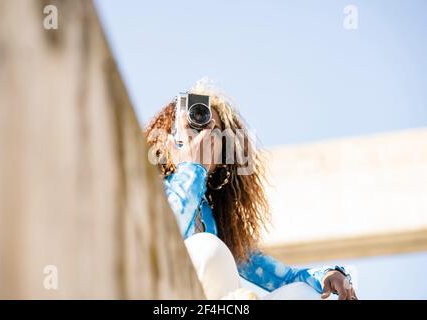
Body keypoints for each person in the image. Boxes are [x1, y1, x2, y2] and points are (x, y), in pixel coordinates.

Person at [145, 80, 357, 300]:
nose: (203, 138)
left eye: (214, 132)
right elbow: (163, 232)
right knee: (208, 249)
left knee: (303, 292)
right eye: (192, 127)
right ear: (170, 135)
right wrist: (191, 169)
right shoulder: (149, 189)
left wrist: (327, 275)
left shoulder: (215, 220)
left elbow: (284, 278)